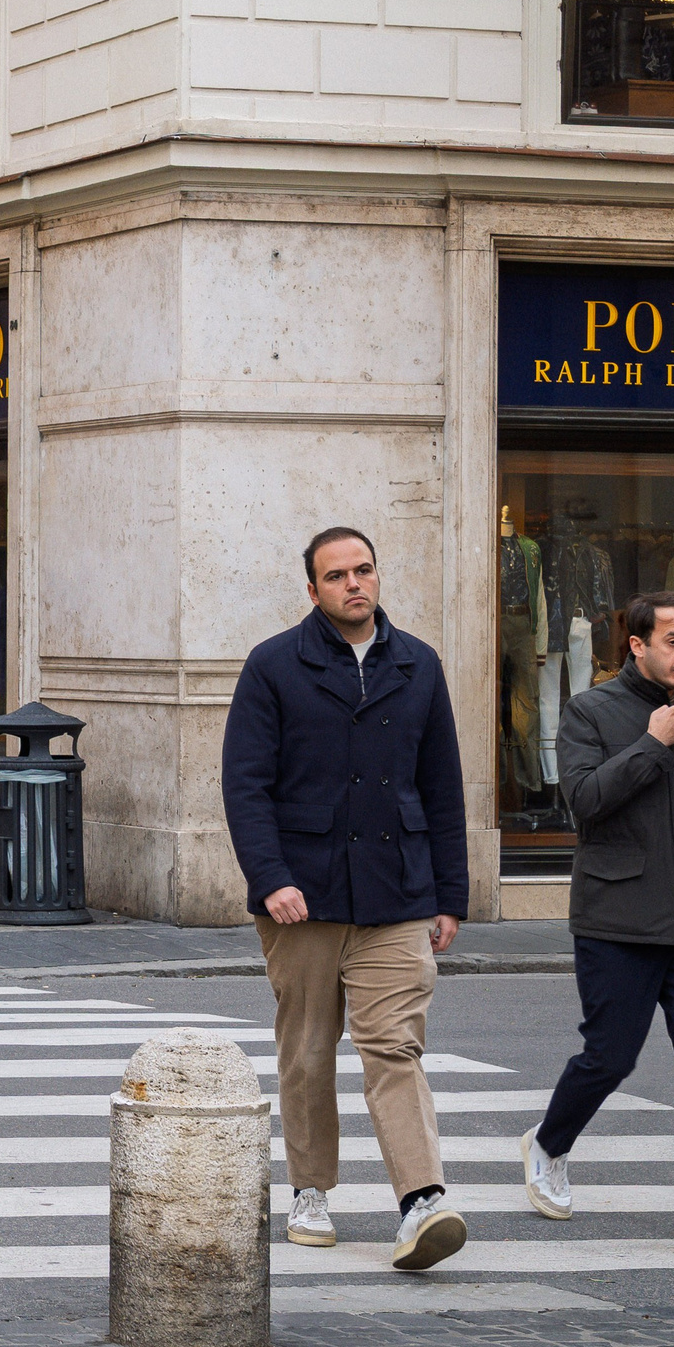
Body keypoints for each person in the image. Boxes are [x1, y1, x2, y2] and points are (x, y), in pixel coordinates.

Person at [221, 526, 469, 1272]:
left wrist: (449, 895)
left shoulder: (418, 664)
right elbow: (246, 785)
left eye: (363, 570)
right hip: (303, 894)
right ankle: (310, 1189)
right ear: (313, 589)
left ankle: (420, 1198)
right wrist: (271, 879)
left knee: (394, 1044)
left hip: (398, 892)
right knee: (306, 1051)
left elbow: (443, 787)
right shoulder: (273, 666)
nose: (354, 584)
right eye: (337, 575)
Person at [521, 591, 674, 1254]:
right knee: (610, 1056)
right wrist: (651, 744)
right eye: (673, 641)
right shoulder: (591, 711)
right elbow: (586, 803)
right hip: (616, 921)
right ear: (638, 645)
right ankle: (548, 1141)